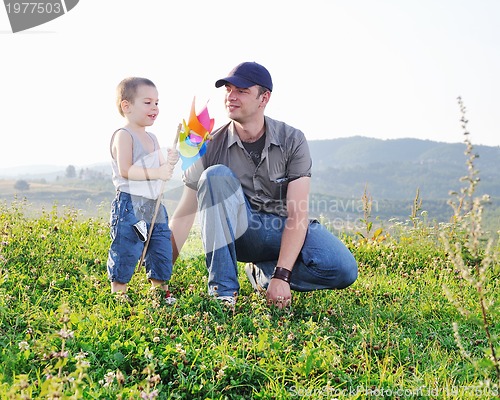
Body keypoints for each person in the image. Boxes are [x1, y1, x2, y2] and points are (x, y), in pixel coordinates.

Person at [169, 62, 358, 309]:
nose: (231, 97)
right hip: (239, 234)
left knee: (343, 268)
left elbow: (297, 213)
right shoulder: (210, 144)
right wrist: (159, 272)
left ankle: (264, 274)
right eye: (228, 90)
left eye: (242, 91)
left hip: (280, 229)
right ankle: (223, 294)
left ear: (264, 98)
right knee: (215, 176)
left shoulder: (292, 140)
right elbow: (185, 213)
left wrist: (281, 276)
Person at [107, 77, 178, 303]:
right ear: (126, 106)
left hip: (154, 202)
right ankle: (119, 290)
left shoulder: (153, 138)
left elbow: (157, 168)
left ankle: (159, 290)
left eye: (157, 103)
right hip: (131, 203)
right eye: (148, 102)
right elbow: (126, 169)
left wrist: (168, 162)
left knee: (160, 245)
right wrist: (158, 173)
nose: (155, 108)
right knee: (126, 245)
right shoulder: (123, 135)